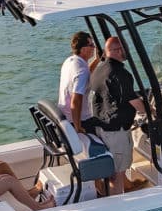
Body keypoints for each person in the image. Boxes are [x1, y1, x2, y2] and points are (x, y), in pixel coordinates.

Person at [89, 36, 146, 195]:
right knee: (117, 175)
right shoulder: (121, 73)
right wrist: (151, 112)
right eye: (124, 47)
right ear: (118, 50)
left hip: (102, 128)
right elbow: (133, 100)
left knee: (111, 172)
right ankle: (119, 207)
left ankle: (113, 199)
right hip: (116, 132)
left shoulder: (99, 69)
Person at [57, 31, 97, 134]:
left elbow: (84, 74)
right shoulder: (82, 71)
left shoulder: (70, 61)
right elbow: (76, 101)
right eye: (91, 45)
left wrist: (97, 60)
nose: (94, 47)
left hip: (64, 116)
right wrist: (78, 127)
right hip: (80, 120)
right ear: (83, 49)